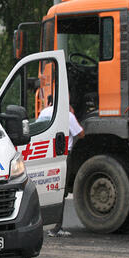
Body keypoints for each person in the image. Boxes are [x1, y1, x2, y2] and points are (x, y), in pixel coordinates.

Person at [37, 96, 85, 237]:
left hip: (46, 153)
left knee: (48, 188)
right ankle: (56, 228)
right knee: (61, 190)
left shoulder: (44, 112)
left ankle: (42, 225)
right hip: (63, 155)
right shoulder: (67, 114)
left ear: (50, 102)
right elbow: (81, 134)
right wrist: (73, 114)